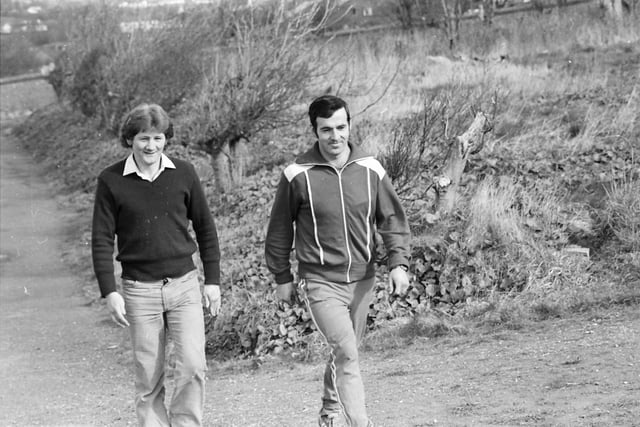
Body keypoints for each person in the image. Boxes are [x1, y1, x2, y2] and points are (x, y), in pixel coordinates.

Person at [265, 95, 411, 427]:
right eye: (326, 129)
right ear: (315, 131)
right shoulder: (297, 174)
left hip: (363, 280)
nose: (335, 136)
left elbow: (392, 220)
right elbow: (278, 230)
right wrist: (282, 277)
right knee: (347, 352)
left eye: (341, 127)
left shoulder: (370, 169)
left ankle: (330, 410)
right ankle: (361, 423)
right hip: (319, 281)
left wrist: (398, 264)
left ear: (350, 125)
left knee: (347, 352)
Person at [91, 103, 221, 427]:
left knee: (193, 367)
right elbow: (102, 240)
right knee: (149, 379)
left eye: (158, 138)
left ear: (167, 139)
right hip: (139, 291)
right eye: (143, 138)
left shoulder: (185, 173)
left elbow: (205, 228)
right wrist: (110, 291)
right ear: (129, 140)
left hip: (184, 286)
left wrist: (213, 282)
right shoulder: (111, 181)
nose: (151, 146)